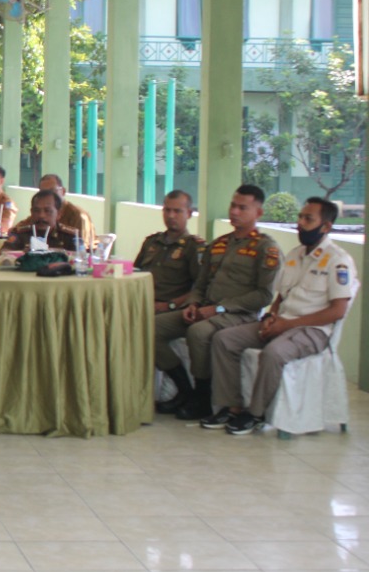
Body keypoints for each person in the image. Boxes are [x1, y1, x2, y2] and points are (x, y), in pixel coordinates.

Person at [203, 197, 358, 435]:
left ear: (325, 226)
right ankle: (232, 406)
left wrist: (288, 325)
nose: (300, 223)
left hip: (313, 331)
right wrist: (271, 318)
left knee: (274, 353)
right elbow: (281, 298)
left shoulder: (339, 261)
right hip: (282, 323)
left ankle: (255, 414)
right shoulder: (295, 255)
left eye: (308, 219)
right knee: (224, 339)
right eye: (300, 217)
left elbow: (337, 311)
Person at [153, 185, 280, 420]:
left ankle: (203, 397)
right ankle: (185, 390)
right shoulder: (219, 244)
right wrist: (193, 303)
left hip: (238, 315)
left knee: (199, 333)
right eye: (233, 205)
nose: (235, 212)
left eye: (243, 207)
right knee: (152, 327)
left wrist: (219, 308)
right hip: (205, 309)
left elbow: (264, 295)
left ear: (258, 213)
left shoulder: (266, 248)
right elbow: (200, 284)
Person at [134, 190, 204, 316]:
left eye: (177, 211)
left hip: (169, 308)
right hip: (140, 303)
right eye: (167, 210)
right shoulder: (151, 242)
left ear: (189, 213)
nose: (171, 216)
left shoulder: (193, 247)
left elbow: (200, 288)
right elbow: (135, 273)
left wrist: (170, 304)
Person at [0, 189, 80, 254]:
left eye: (47, 211)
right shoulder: (21, 233)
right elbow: (2, 254)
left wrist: (51, 252)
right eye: (36, 211)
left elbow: (81, 259)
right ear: (31, 212)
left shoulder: (70, 236)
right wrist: (23, 254)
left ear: (59, 214)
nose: (41, 215)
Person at [40, 173, 95, 249]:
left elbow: (83, 249)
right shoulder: (40, 213)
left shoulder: (78, 215)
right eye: (43, 193)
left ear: (63, 191)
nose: (48, 196)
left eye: (52, 191)